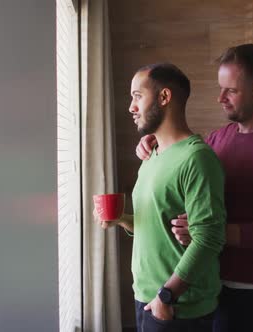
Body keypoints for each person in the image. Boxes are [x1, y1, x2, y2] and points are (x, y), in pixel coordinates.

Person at [136, 44, 253, 332]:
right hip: (213, 281)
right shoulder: (218, 138)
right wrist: (155, 142)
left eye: (230, 90)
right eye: (220, 89)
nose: (220, 98)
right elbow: (187, 161)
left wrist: (210, 231)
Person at [97, 63, 226, 332]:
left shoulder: (197, 158)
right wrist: (123, 219)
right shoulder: (151, 154)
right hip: (146, 296)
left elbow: (209, 238)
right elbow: (157, 222)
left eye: (137, 96)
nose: (131, 107)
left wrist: (166, 296)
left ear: (164, 97)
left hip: (178, 306)